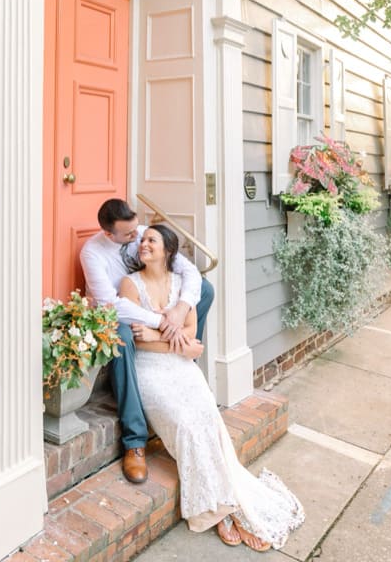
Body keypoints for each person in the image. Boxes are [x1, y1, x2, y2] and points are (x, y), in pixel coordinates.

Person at [119, 224, 305, 550]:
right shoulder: (130, 285)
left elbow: (190, 338)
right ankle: (217, 512)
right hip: (150, 372)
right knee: (185, 425)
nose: (143, 244)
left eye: (152, 240)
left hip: (181, 369)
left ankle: (229, 504)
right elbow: (140, 341)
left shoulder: (183, 286)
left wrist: (159, 337)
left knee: (208, 420)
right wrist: (172, 341)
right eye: (142, 240)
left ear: (168, 251)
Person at [80, 198, 215, 484]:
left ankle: (184, 356)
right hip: (121, 317)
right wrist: (162, 323)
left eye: (136, 230)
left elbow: (189, 271)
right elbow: (111, 305)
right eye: (128, 235)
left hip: (159, 317)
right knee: (121, 334)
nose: (136, 238)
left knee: (206, 289)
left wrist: (180, 310)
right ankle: (134, 441)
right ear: (108, 234)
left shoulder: (141, 233)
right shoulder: (93, 253)